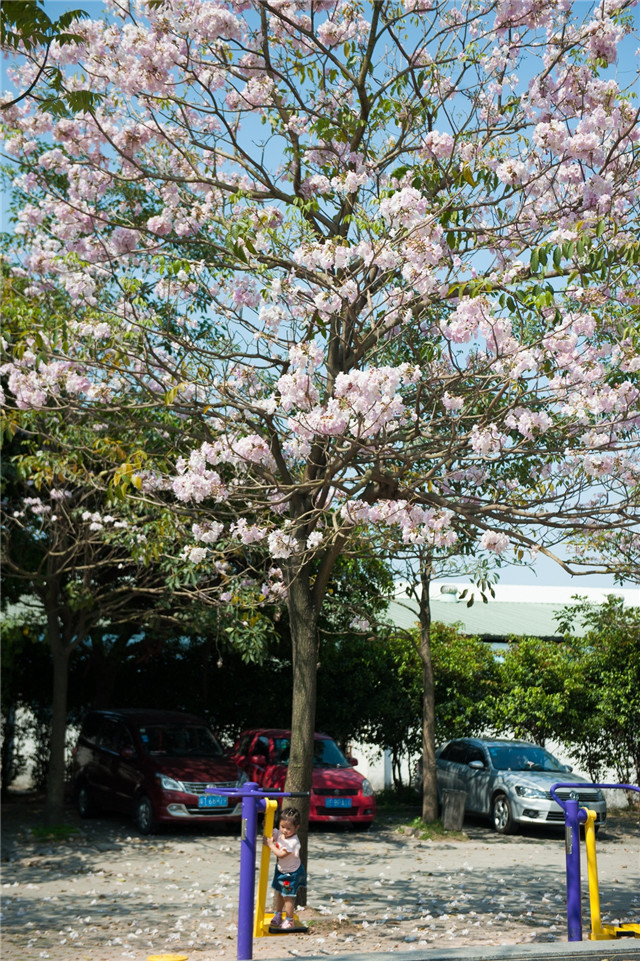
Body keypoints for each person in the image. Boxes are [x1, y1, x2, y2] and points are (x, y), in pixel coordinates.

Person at [263, 807, 306, 930]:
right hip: (281, 870)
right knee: (279, 893)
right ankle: (278, 914)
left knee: (288, 897)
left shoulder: (293, 842)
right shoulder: (280, 834)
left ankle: (289, 919)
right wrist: (266, 824)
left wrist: (270, 845)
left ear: (296, 827)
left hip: (290, 874)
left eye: (288, 828)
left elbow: (281, 854)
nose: (285, 831)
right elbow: (272, 832)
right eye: (282, 827)